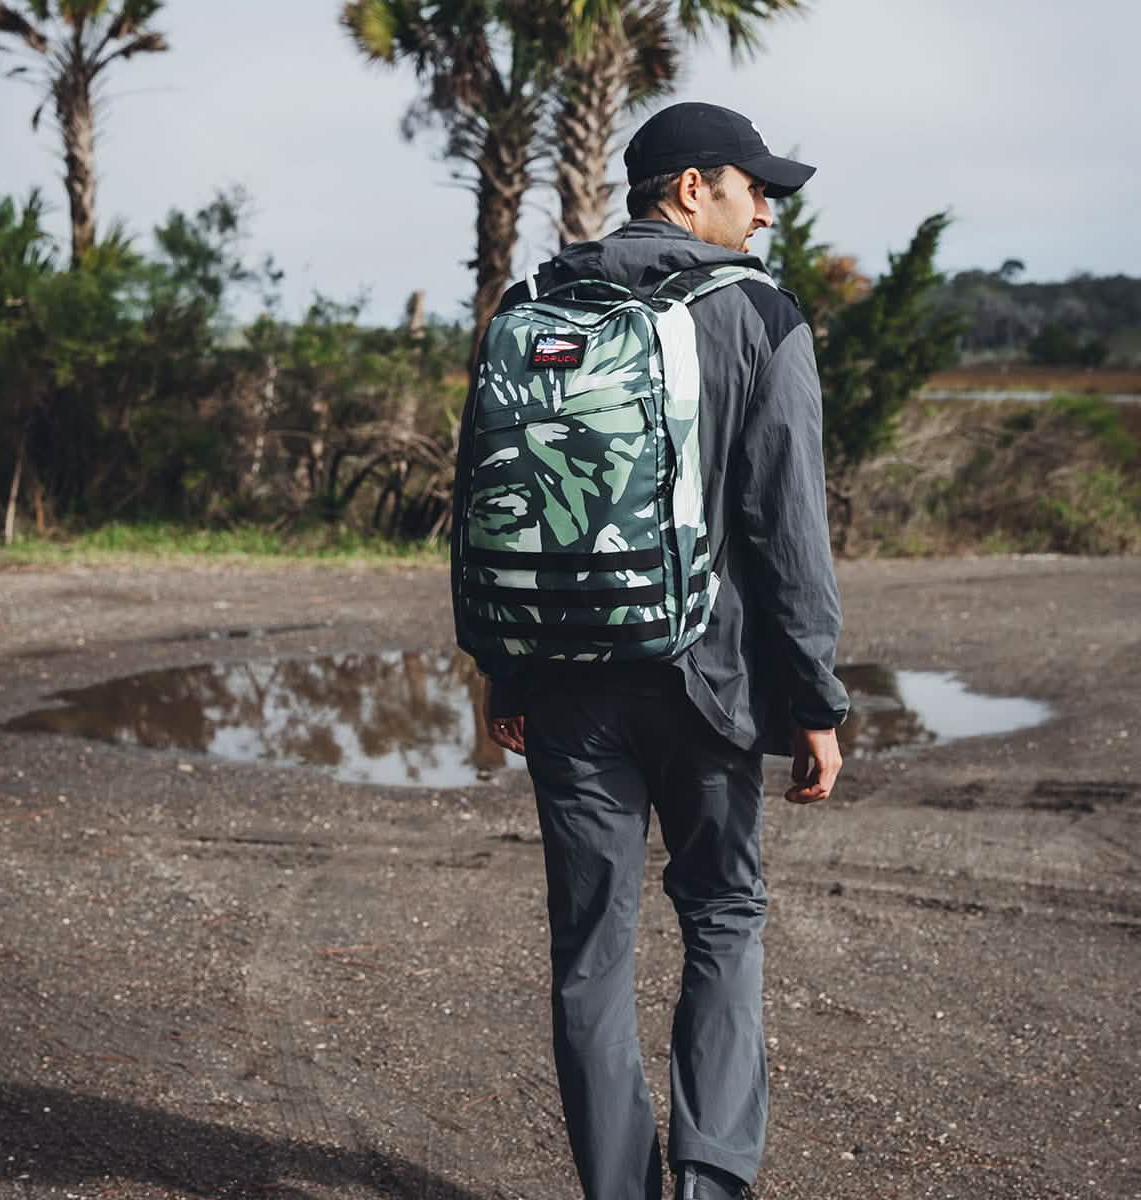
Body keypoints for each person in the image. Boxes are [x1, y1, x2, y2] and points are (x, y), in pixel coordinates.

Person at [468, 101, 849, 1200]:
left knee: (590, 951)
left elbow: (501, 500)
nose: (767, 208)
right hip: (707, 682)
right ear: (691, 189)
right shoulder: (759, 316)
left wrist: (509, 666)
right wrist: (813, 701)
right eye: (753, 186)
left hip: (568, 684)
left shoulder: (532, 303)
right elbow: (788, 531)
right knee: (723, 916)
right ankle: (712, 1185)